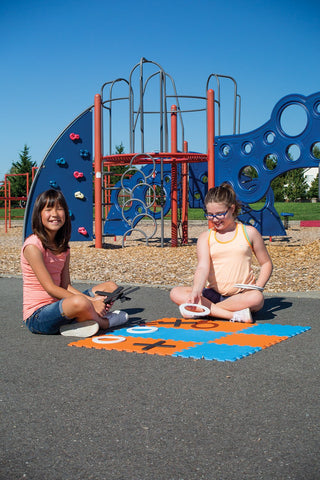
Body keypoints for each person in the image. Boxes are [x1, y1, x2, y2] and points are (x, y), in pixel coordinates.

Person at [21, 189, 128, 337]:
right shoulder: (33, 246)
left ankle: (83, 320)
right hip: (39, 316)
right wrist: (91, 302)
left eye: (59, 209)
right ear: (39, 214)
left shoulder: (63, 246)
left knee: (110, 287)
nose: (54, 214)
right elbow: (51, 288)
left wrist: (94, 300)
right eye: (48, 209)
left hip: (61, 304)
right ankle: (104, 322)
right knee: (80, 302)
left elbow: (66, 285)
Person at [170, 182, 273, 323]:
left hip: (241, 295)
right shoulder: (206, 237)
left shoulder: (249, 232)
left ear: (232, 209)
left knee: (256, 298)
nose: (215, 219)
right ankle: (231, 315)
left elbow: (266, 263)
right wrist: (196, 291)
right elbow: (202, 267)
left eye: (219, 214)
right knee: (175, 292)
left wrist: (258, 287)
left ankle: (206, 311)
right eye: (210, 215)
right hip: (214, 294)